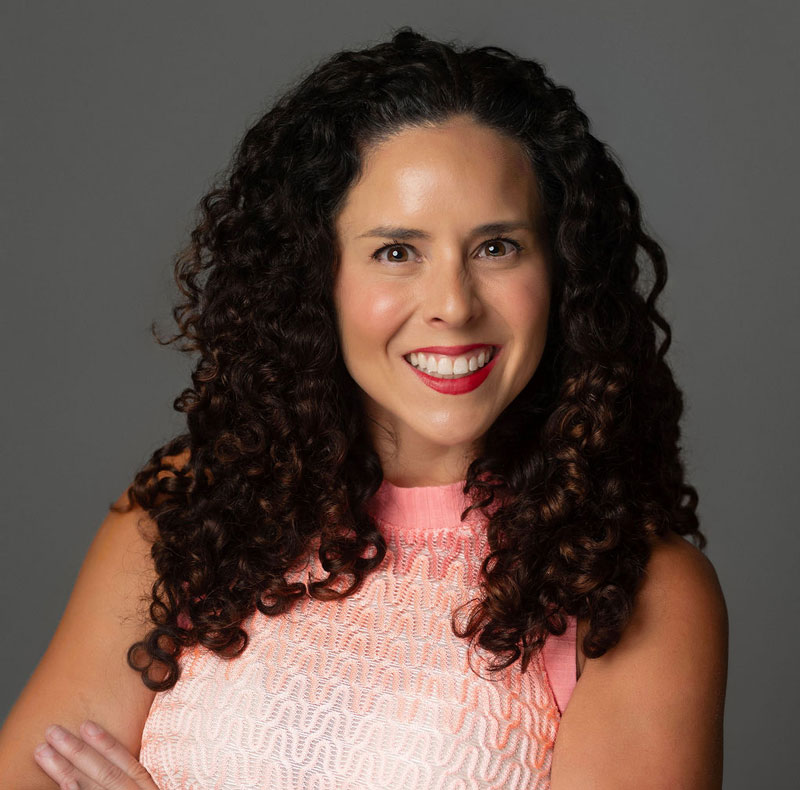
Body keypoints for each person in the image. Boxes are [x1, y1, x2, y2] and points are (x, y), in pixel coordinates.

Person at [0, 26, 728, 789]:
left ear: (562, 272)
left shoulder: (633, 588)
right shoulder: (193, 503)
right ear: (318, 278)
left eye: (496, 248)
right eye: (396, 251)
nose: (452, 304)